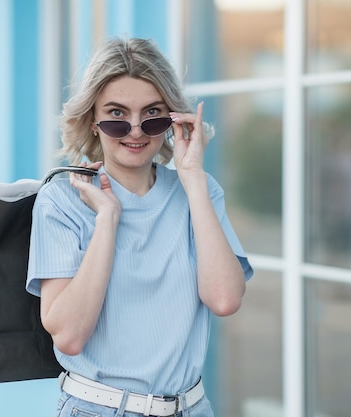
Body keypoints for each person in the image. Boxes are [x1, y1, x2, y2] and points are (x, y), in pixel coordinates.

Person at [27, 37, 253, 417]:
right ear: (93, 122)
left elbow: (225, 299)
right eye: (116, 115)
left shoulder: (199, 191)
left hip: (192, 408)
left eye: (152, 114)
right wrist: (107, 221)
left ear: (173, 120)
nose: (135, 130)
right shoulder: (61, 201)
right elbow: (68, 335)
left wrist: (193, 177)